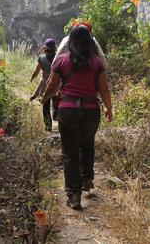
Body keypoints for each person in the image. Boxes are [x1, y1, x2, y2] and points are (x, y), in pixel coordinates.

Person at [41, 25, 112, 210]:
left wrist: (45, 98)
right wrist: (109, 109)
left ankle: (74, 195)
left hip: (68, 110)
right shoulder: (97, 63)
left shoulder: (62, 61)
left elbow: (53, 86)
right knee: (87, 143)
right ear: (89, 41)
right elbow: (104, 89)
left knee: (70, 153)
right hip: (91, 112)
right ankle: (87, 179)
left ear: (70, 42)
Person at [29, 38, 57, 132]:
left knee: (46, 106)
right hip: (57, 85)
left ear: (44, 48)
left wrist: (32, 78)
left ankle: (48, 126)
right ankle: (57, 119)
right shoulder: (58, 57)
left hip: (45, 85)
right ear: (55, 49)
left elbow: (36, 71)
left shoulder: (41, 58)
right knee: (57, 103)